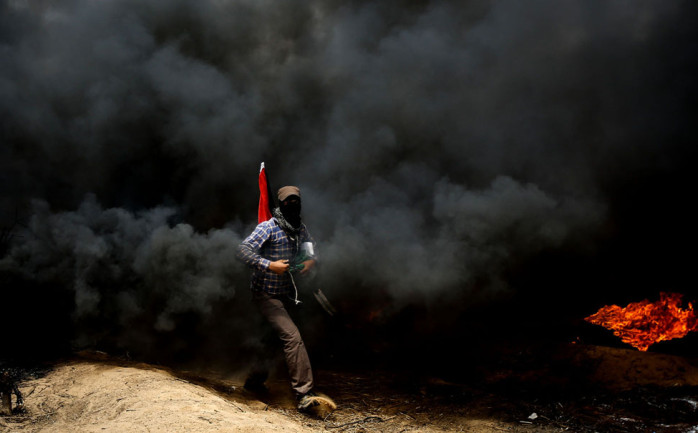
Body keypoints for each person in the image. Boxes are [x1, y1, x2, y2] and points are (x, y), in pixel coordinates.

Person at [238, 186, 319, 411]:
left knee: (272, 340)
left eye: (296, 200)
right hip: (265, 294)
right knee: (292, 337)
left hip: (286, 295)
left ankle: (253, 382)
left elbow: (311, 250)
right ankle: (305, 395)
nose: (293, 204)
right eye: (288, 201)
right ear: (281, 205)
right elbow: (242, 250)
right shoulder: (268, 228)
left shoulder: (300, 228)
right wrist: (269, 265)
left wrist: (309, 262)